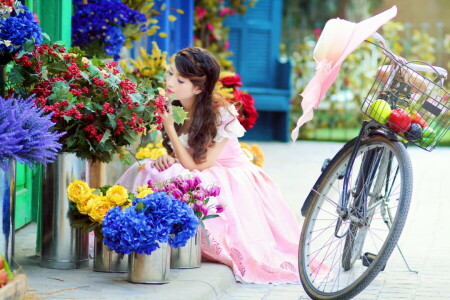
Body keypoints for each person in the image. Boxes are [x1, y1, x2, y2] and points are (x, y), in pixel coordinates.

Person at [117, 46, 300, 283]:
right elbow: (182, 154)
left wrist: (170, 129)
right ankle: (143, 235)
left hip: (227, 174)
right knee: (148, 168)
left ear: (199, 87)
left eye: (180, 79)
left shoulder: (220, 112)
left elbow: (198, 165)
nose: (170, 81)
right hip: (195, 166)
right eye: (170, 73)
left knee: (181, 179)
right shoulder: (177, 106)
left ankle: (183, 240)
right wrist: (168, 156)